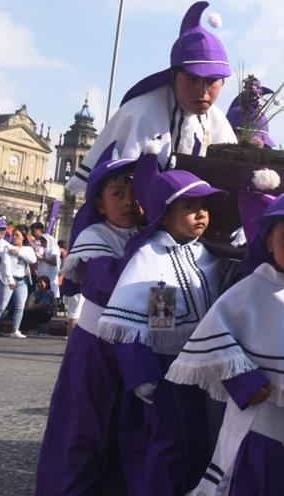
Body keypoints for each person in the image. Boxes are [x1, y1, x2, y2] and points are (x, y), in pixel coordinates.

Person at [167, 153, 284, 495]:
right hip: (264, 424)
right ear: (269, 241)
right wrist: (241, 379)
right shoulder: (251, 289)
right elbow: (215, 339)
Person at [97, 143, 233, 496]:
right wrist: (143, 375)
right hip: (163, 370)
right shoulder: (151, 257)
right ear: (164, 213)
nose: (201, 214)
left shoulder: (205, 254)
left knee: (198, 444)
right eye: (189, 207)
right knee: (165, 447)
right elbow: (135, 325)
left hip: (197, 371)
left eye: (204, 207)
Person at [36, 148, 142, 496]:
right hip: (95, 350)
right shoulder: (93, 238)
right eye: (118, 194)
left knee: (124, 431)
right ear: (99, 204)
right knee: (83, 430)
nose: (129, 202)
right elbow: (110, 285)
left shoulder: (151, 234)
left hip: (135, 350)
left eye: (135, 193)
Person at [65, 1, 236, 196]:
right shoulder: (141, 113)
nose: (202, 90)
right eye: (192, 78)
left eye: (212, 80)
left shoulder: (218, 122)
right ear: (173, 76)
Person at [0, 224, 38, 338]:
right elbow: (5, 265)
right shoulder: (7, 248)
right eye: (13, 235)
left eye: (17, 235)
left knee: (20, 306)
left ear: (23, 237)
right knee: (1, 305)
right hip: (9, 280)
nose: (14, 237)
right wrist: (10, 280)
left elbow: (33, 259)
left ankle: (15, 330)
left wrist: (18, 252)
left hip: (22, 280)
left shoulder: (27, 249)